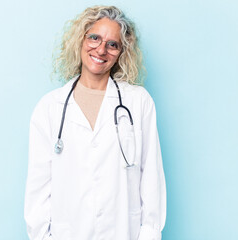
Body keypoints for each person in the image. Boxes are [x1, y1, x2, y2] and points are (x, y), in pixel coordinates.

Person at [24, 5, 166, 240]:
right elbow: (38, 193)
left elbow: (151, 179)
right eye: (94, 38)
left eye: (113, 44)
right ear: (80, 40)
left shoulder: (138, 102)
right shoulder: (49, 108)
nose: (101, 49)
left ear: (122, 52)